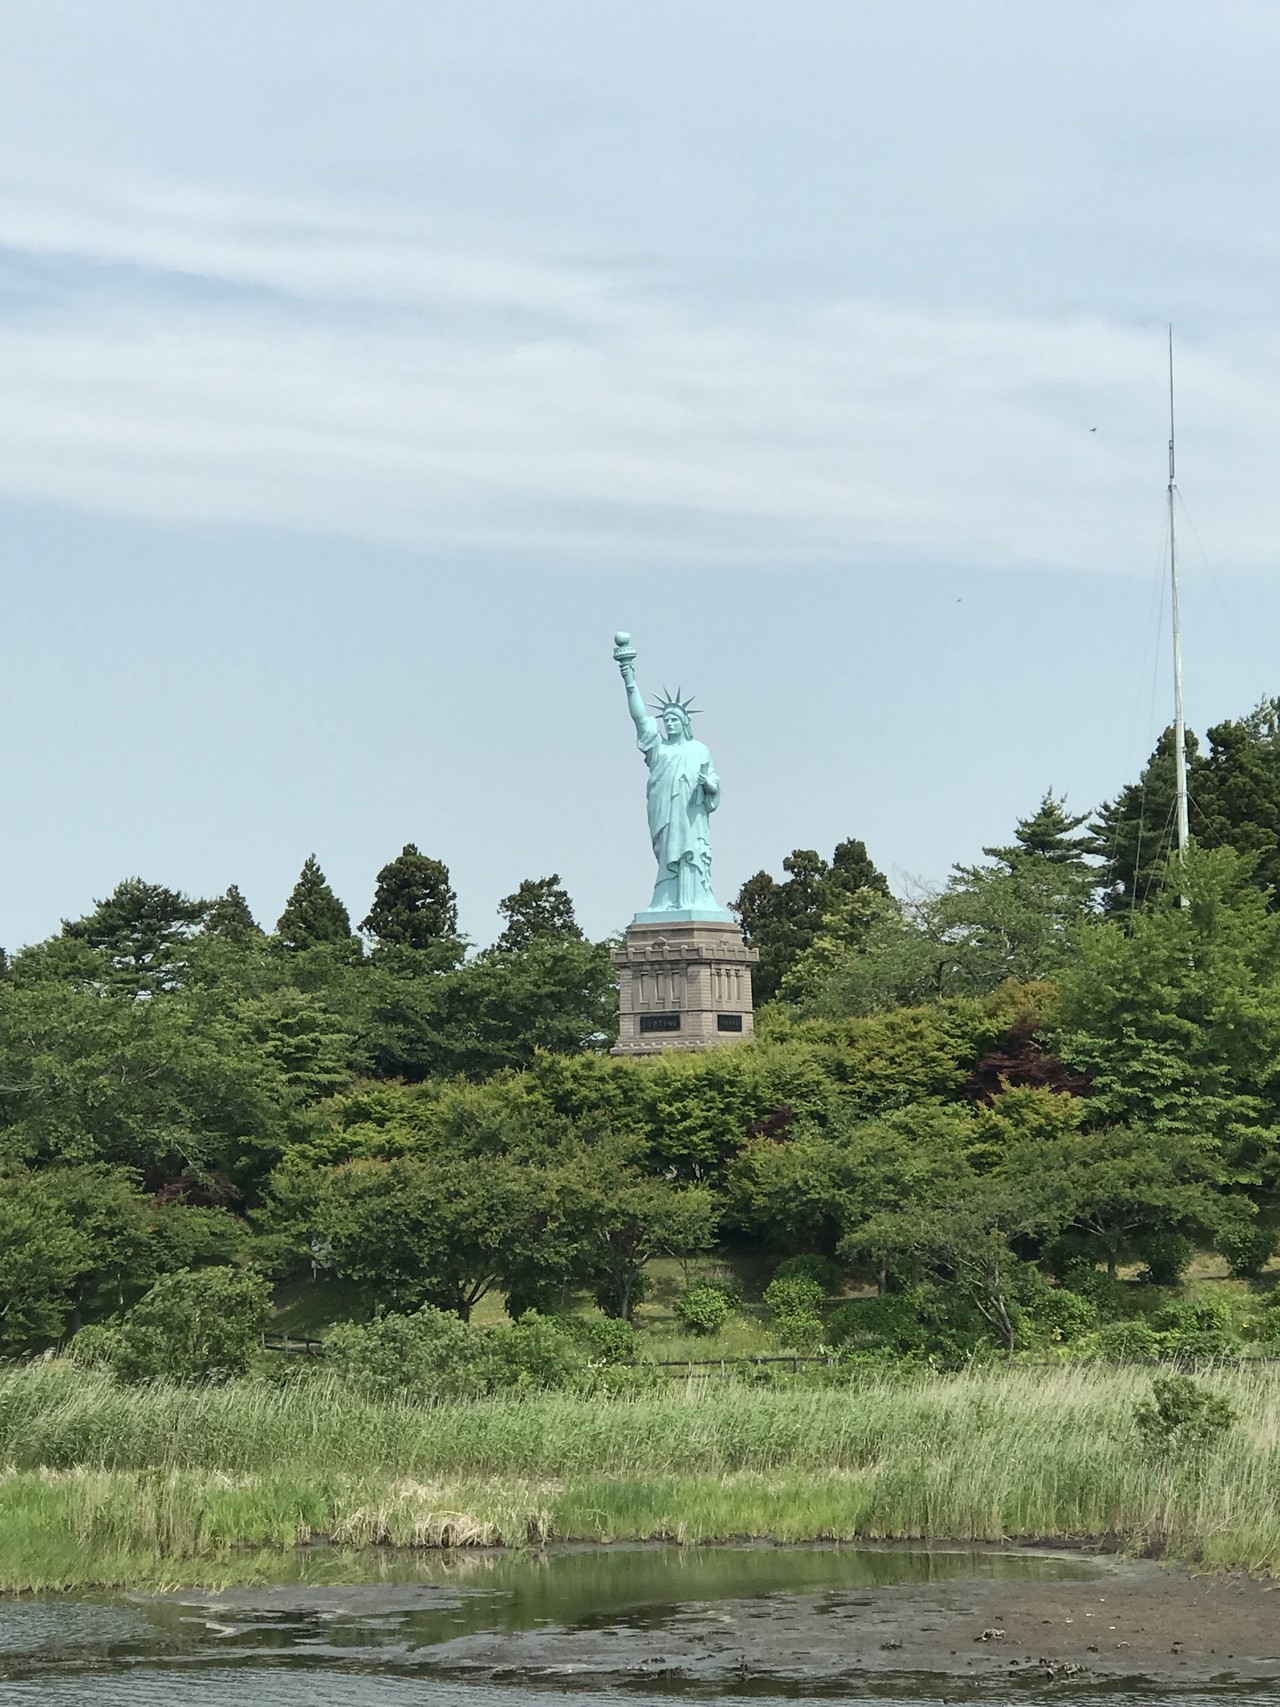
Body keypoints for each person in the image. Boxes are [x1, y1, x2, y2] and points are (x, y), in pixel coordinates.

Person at [615, 637, 723, 913]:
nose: (671, 723)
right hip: (665, 813)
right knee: (668, 855)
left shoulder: (699, 750)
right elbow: (639, 718)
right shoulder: (658, 751)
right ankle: (666, 901)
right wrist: (629, 680)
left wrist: (709, 785)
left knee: (692, 856)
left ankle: (696, 901)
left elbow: (714, 784)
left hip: (692, 819)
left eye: (675, 719)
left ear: (686, 723)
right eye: (667, 720)